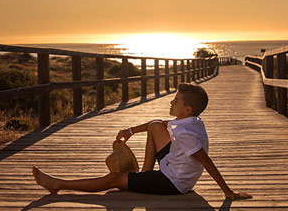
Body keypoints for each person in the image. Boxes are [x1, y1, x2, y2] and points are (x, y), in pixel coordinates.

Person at [32, 82, 252, 200]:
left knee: (114, 178)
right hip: (173, 167)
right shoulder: (191, 121)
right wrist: (130, 130)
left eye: (176, 101)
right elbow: (160, 125)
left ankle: (57, 184)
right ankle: (145, 174)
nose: (171, 103)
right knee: (156, 124)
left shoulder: (186, 134)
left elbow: (206, 161)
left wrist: (227, 191)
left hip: (172, 183)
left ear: (187, 109)